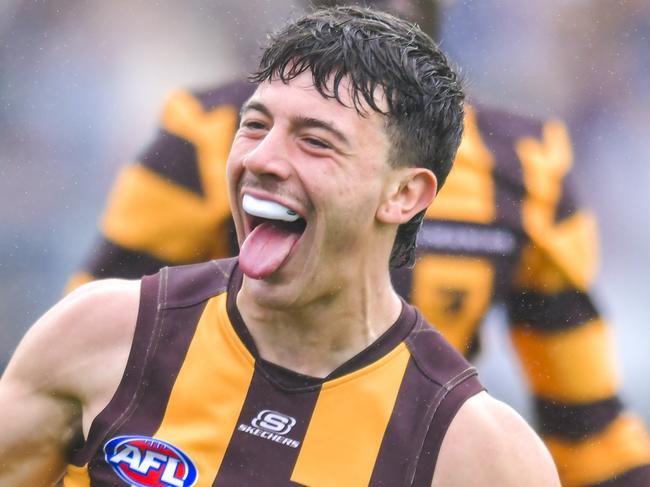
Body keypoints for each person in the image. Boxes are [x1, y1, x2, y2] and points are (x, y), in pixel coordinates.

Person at [66, 2, 650, 487]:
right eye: (262, 127)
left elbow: (589, 430)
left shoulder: (526, 165)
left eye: (318, 143)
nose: (270, 155)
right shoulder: (207, 131)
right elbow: (91, 362)